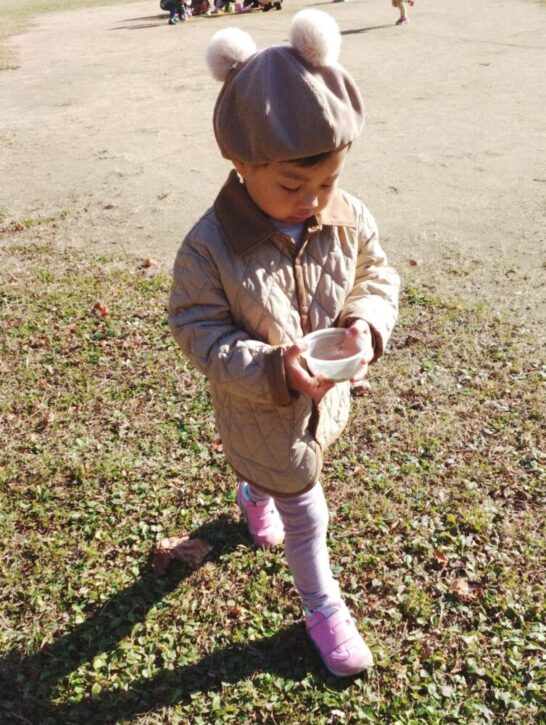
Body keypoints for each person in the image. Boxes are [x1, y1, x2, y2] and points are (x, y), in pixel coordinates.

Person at [168, 9, 400, 677]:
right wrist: (273, 367)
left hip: (323, 403)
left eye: (328, 181)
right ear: (240, 163)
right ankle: (323, 608)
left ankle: (253, 495)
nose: (314, 199)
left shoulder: (346, 215)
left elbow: (376, 272)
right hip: (259, 406)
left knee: (284, 471)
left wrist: (365, 321)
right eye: (293, 185)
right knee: (307, 511)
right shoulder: (209, 246)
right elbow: (198, 328)